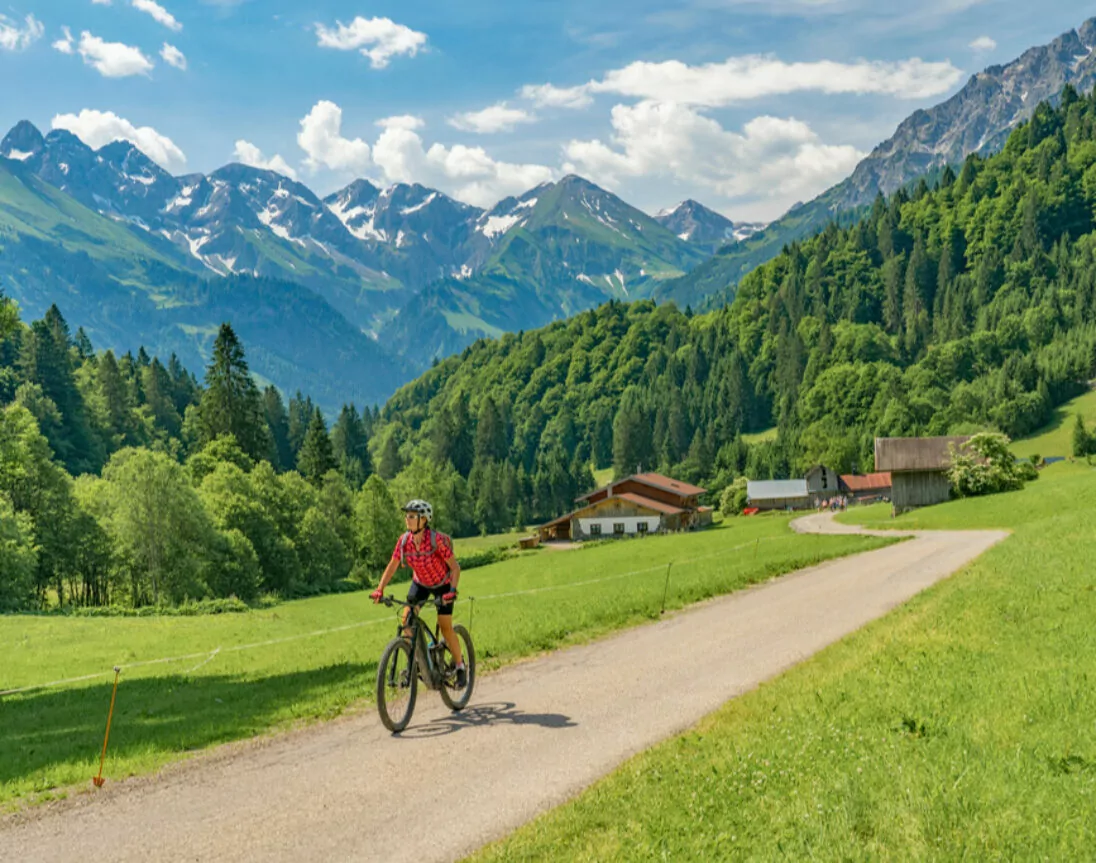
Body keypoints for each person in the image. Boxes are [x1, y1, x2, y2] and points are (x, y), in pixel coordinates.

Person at [371, 499, 466, 687]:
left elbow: (455, 568)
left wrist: (452, 591)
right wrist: (380, 588)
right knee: (406, 620)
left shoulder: (436, 540)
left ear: (424, 519)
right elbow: (393, 565)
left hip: (442, 584)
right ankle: (418, 660)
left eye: (412, 516)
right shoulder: (404, 541)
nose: (408, 519)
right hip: (421, 584)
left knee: (445, 626)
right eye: (407, 516)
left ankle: (461, 666)